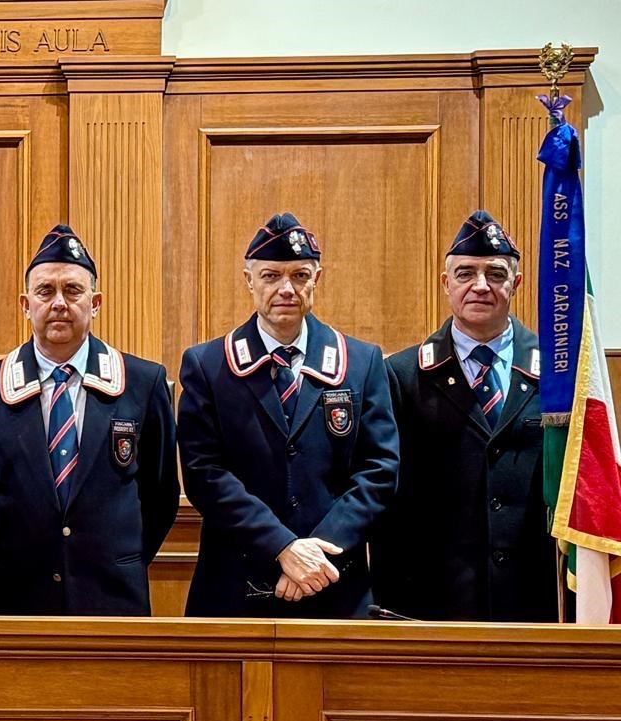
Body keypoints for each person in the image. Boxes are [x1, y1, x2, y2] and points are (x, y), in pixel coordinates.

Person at [177, 213, 398, 618]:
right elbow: (203, 474)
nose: (286, 289)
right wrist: (282, 547)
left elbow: (380, 471)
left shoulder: (361, 362)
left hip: (334, 583)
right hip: (235, 586)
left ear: (317, 278)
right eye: (270, 276)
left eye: (299, 275)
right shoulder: (207, 365)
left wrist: (314, 553)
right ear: (249, 280)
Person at [0, 224, 178, 614]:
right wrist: (5, 556)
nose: (59, 302)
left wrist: (118, 558)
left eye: (73, 290)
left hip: (114, 599)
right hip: (19, 597)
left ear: (95, 303)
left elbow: (160, 494)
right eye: (45, 291)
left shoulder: (143, 383)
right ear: (25, 305)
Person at [372, 212, 555, 620]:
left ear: (516, 283)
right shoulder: (402, 375)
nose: (480, 286)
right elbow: (385, 494)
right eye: (465, 273)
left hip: (534, 598)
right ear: (446, 283)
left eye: (495, 273)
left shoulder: (559, 374)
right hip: (433, 598)